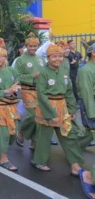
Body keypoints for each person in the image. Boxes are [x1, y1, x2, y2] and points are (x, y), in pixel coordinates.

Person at [32, 44, 85, 175]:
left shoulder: (64, 71)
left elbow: (69, 92)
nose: (58, 59)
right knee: (44, 137)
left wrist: (72, 110)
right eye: (54, 56)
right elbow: (41, 95)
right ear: (48, 58)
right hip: (47, 109)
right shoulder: (42, 73)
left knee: (69, 135)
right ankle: (39, 161)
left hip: (62, 108)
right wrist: (50, 114)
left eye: (60, 56)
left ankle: (75, 164)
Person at [0, 46, 20, 171]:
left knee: (12, 134)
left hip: (11, 107)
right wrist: (7, 91)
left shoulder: (12, 71)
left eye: (0, 56)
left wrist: (16, 89)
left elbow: (17, 83)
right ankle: (3, 159)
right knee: (3, 134)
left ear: (6, 57)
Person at [15, 33, 46, 150]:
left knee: (40, 117)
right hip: (27, 90)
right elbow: (17, 77)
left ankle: (34, 140)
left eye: (35, 46)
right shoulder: (20, 60)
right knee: (33, 115)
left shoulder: (41, 59)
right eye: (30, 46)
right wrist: (32, 76)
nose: (32, 48)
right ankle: (22, 132)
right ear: (26, 46)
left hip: (40, 91)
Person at [77, 43, 95, 145]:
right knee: (89, 134)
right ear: (93, 53)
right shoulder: (86, 70)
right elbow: (86, 93)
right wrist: (92, 113)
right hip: (89, 103)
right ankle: (73, 149)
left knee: (89, 134)